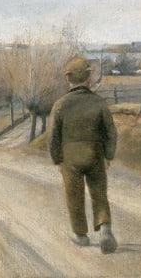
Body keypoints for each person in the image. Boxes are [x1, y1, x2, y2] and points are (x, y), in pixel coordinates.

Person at [48, 56, 118, 254]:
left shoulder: (60, 105)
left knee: (74, 194)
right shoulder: (99, 103)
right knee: (99, 193)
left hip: (70, 157)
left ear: (68, 80)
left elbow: (52, 136)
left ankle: (80, 235)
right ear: (89, 79)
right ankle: (105, 229)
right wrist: (108, 155)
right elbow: (110, 132)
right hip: (94, 154)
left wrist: (57, 159)